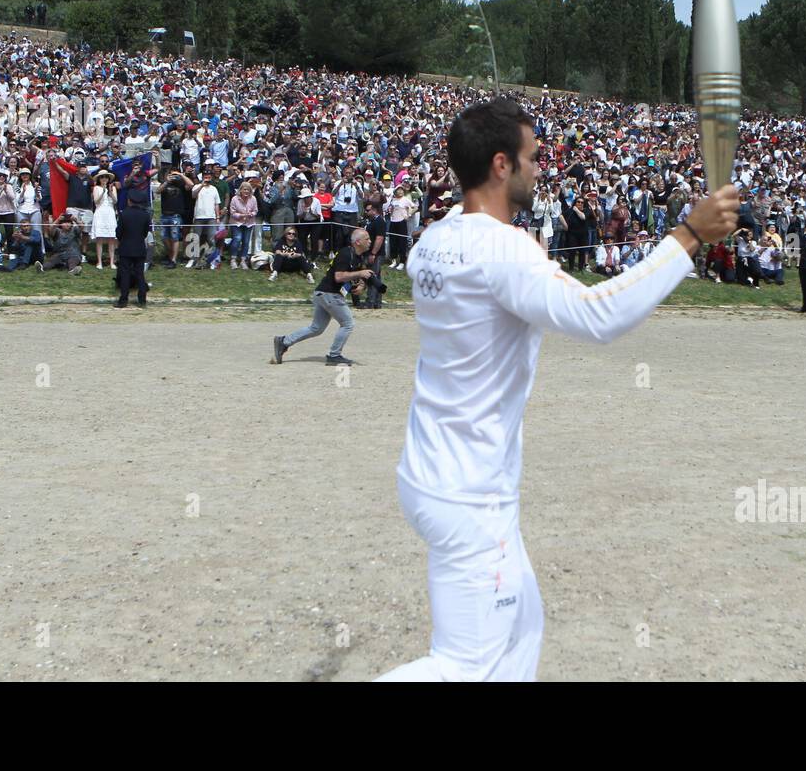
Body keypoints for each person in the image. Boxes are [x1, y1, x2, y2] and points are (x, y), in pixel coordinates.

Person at [374, 98, 738, 682]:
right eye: (532, 158)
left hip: (436, 477)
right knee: (463, 666)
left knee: (523, 629)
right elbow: (598, 315)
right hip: (470, 494)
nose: (541, 169)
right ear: (501, 165)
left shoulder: (433, 242)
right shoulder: (503, 250)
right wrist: (689, 235)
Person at [272, 227, 373, 367]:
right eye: (367, 239)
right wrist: (360, 274)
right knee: (347, 324)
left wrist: (361, 285)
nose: (370, 241)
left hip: (323, 293)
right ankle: (334, 355)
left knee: (316, 328)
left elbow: (356, 275)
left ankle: (284, 341)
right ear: (357, 242)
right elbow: (339, 277)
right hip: (329, 294)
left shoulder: (358, 257)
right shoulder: (345, 254)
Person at [114, 202, 152, 308]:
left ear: (130, 201)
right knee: (140, 274)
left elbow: (118, 232)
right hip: (139, 247)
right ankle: (142, 300)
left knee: (125, 274)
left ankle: (123, 300)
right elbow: (145, 233)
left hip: (126, 248)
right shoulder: (145, 215)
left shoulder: (124, 214)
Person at [91, 169, 119, 269]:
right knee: (100, 238)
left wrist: (110, 192)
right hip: (100, 212)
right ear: (99, 178)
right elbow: (96, 202)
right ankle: (99, 262)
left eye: (106, 177)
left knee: (112, 238)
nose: (104, 179)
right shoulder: (96, 188)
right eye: (102, 177)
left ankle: (112, 262)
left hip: (110, 212)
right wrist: (103, 191)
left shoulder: (113, 188)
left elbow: (115, 201)